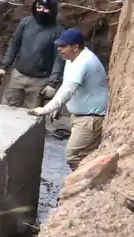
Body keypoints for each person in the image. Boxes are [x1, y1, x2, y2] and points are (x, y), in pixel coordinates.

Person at [31, 28, 109, 169]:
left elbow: (68, 90)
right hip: (83, 116)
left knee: (74, 154)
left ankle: (85, 185)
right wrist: (58, 106)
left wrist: (46, 109)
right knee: (83, 153)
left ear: (75, 47)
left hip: (90, 118)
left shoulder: (83, 62)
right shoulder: (72, 59)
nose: (59, 49)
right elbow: (66, 85)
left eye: (63, 46)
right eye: (59, 45)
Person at [0, 0, 65, 109]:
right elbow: (14, 44)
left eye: (45, 9)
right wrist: (4, 67)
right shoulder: (26, 22)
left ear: (53, 10)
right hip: (18, 76)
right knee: (5, 110)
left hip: (40, 82)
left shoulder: (58, 32)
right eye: (39, 7)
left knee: (35, 118)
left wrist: (52, 83)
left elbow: (59, 60)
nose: (41, 11)